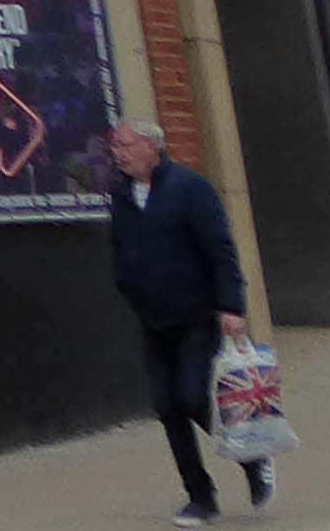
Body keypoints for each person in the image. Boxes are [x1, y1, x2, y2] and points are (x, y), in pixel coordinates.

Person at [106, 121, 269, 523]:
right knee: (167, 407)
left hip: (197, 315)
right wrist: (127, 284)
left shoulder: (190, 189)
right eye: (116, 146)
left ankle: (252, 457)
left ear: (152, 147)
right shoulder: (121, 195)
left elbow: (220, 249)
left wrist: (232, 306)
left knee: (192, 397)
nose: (119, 153)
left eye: (127, 145)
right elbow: (120, 248)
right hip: (153, 319)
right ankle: (200, 496)